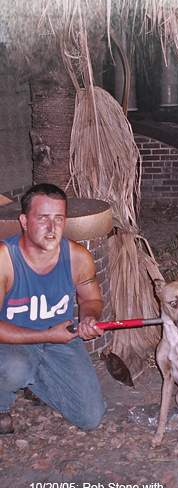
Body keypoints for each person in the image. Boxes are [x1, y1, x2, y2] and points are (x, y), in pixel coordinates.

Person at [0, 183, 107, 434]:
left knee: (90, 416)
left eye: (59, 218)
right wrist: (47, 335)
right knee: (13, 369)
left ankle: (35, 381)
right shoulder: (5, 259)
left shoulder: (78, 257)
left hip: (61, 339)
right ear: (24, 221)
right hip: (12, 340)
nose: (52, 228)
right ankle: (3, 400)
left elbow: (91, 300)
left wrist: (89, 317)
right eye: (42, 218)